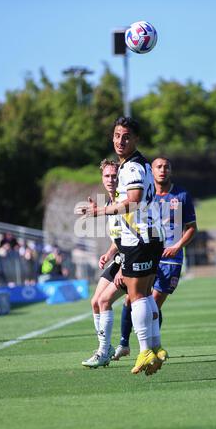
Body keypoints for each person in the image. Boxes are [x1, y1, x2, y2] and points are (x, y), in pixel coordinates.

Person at [75, 116, 165, 375]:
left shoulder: (133, 167)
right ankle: (155, 348)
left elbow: (134, 200)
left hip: (140, 239)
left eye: (126, 136)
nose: (120, 141)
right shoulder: (136, 164)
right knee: (144, 295)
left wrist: (101, 210)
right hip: (146, 237)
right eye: (116, 135)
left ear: (135, 139)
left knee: (136, 297)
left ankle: (145, 350)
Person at [113, 156, 197, 361]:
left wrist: (177, 246)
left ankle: (152, 348)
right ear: (152, 171)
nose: (162, 170)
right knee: (133, 299)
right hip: (147, 251)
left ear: (171, 171)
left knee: (153, 304)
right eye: (158, 167)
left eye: (166, 167)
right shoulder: (146, 196)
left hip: (170, 259)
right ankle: (125, 343)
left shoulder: (182, 195)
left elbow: (192, 228)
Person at [81, 159, 127, 368]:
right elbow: (118, 239)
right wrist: (108, 253)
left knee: (104, 302)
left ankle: (104, 351)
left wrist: (125, 265)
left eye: (114, 175)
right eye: (107, 176)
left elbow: (135, 235)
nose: (111, 179)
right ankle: (105, 348)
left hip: (133, 259)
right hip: (119, 258)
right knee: (94, 302)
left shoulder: (125, 200)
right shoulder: (110, 202)